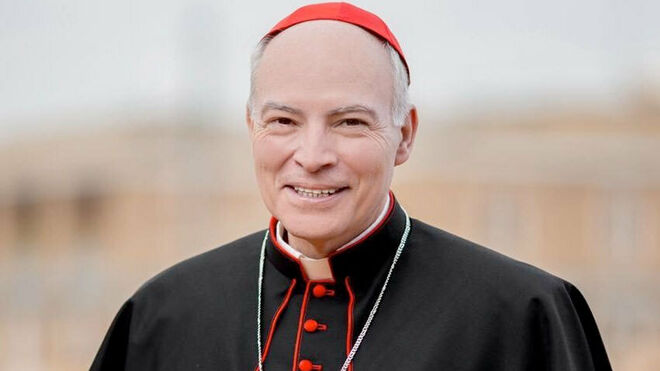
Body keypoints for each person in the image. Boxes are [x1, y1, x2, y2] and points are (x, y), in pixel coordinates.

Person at [91, 3, 612, 370]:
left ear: (404, 134)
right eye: (284, 122)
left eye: (349, 123)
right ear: (252, 129)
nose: (314, 157)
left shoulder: (524, 315)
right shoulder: (161, 316)